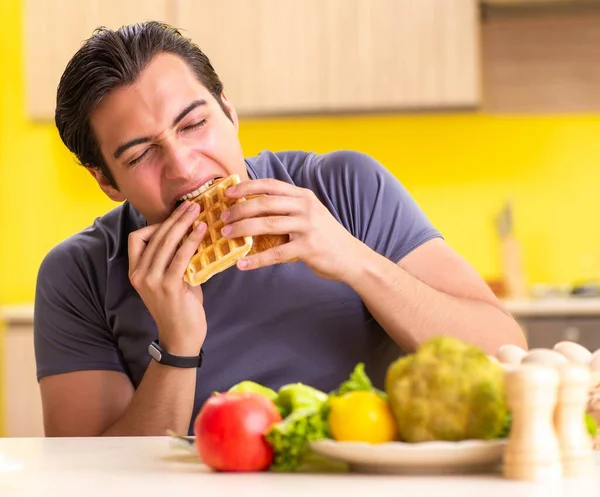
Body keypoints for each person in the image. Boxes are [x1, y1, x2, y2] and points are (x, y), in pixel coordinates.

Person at [34, 21, 527, 437]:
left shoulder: (344, 187)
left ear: (229, 110)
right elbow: (90, 475)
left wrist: (355, 261)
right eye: (141, 154)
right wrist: (179, 346)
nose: (183, 167)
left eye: (194, 124)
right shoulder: (78, 274)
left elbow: (504, 352)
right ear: (105, 180)